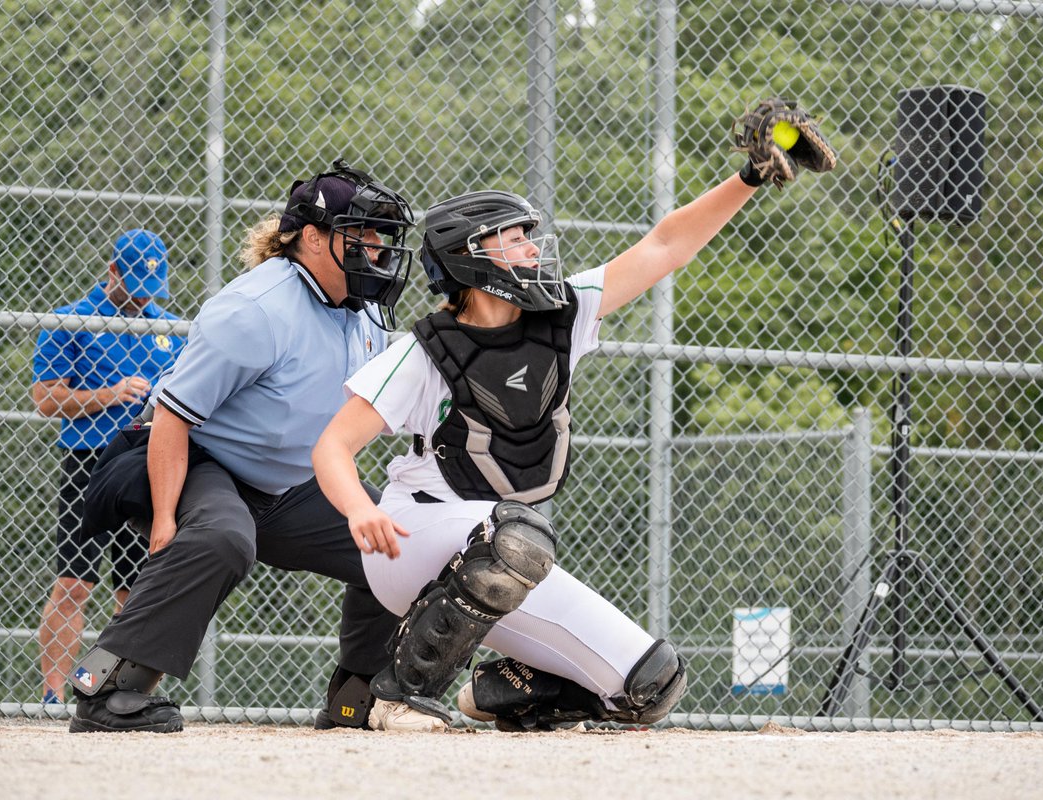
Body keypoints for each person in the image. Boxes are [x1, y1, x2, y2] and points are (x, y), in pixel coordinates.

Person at [312, 128, 835, 731]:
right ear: (470, 259)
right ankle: (401, 693)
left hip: (502, 554)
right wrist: (358, 509)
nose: (533, 252)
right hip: (413, 537)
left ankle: (497, 692)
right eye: (513, 242)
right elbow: (333, 445)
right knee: (517, 535)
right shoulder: (425, 351)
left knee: (649, 685)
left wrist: (750, 179)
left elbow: (665, 246)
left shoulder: (564, 313)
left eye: (529, 239)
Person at [65, 160, 415, 734]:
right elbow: (172, 417)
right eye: (361, 237)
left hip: (290, 481)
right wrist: (162, 520)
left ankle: (355, 699)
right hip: (201, 460)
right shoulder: (256, 310)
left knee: (397, 540)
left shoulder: (366, 309)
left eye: (381, 241)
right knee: (222, 537)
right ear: (312, 238)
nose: (376, 252)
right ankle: (109, 691)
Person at [32, 228, 184, 705]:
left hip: (144, 465)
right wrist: (108, 395)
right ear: (112, 271)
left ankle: (102, 689)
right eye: (134, 284)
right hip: (88, 462)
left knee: (134, 592)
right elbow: (44, 398)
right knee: (75, 584)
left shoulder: (169, 329)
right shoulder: (70, 320)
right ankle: (53, 696)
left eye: (150, 289)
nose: (142, 298)